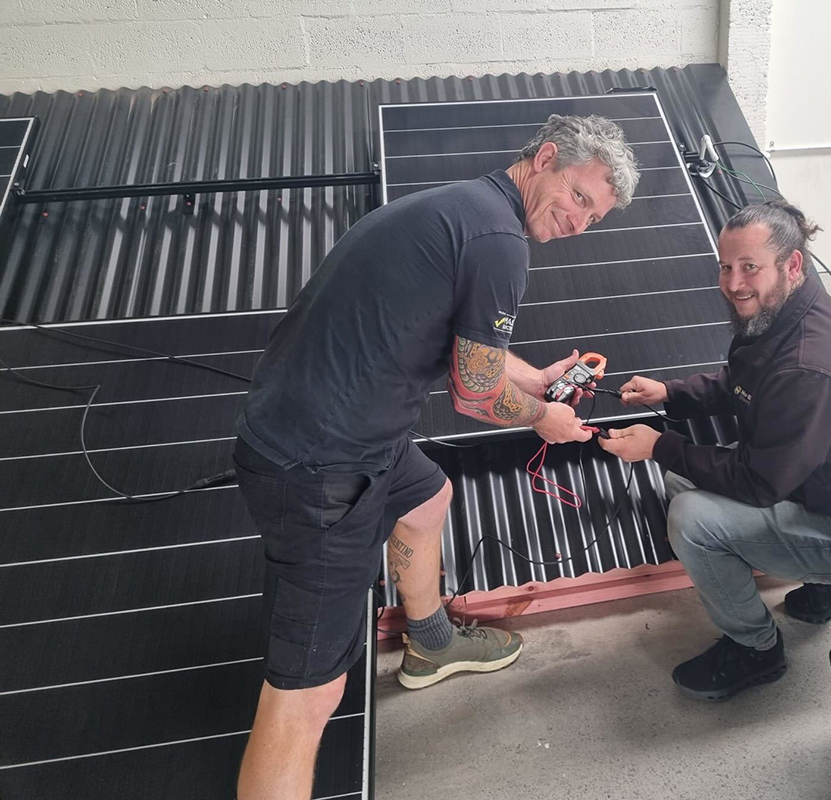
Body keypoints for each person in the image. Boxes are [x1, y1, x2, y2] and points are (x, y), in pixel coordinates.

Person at [232, 115, 639, 799]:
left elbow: (466, 338)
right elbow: (476, 394)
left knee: (427, 500)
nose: (580, 221)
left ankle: (431, 646)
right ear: (544, 159)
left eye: (594, 215)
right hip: (321, 469)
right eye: (578, 197)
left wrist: (535, 379)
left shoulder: (465, 208)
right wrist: (546, 417)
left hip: (349, 435)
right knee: (306, 696)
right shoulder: (500, 241)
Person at [599, 200, 831, 701]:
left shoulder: (808, 365)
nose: (734, 282)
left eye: (749, 268)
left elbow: (760, 483)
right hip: (821, 490)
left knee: (691, 518)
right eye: (726, 266)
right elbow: (742, 382)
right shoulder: (788, 312)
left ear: (792, 265)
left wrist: (660, 445)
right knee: (681, 481)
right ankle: (827, 586)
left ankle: (756, 651)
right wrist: (671, 394)